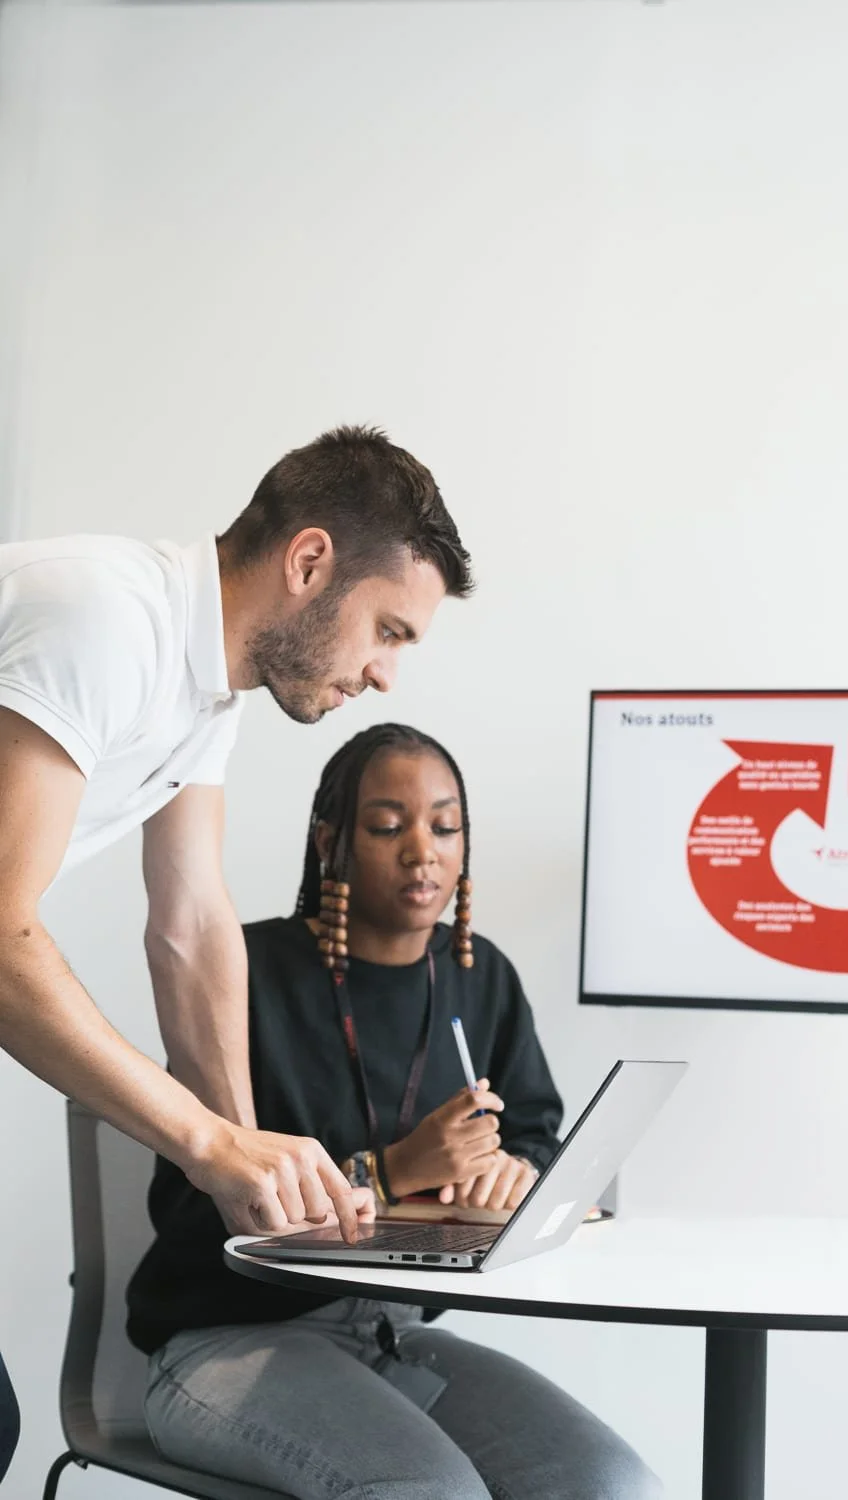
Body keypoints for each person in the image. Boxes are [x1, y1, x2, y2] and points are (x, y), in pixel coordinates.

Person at [0, 428, 472, 1486]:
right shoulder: (104, 620)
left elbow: (191, 922)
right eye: (387, 630)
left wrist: (250, 1165)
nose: (386, 673)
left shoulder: (208, 685)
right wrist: (206, 1142)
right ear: (309, 562)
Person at [126, 724, 664, 1500]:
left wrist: (515, 1174)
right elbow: (195, 1207)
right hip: (225, 1340)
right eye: (386, 827)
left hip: (389, 1334)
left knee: (612, 1485)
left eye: (445, 828)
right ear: (330, 842)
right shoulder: (243, 972)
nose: (423, 853)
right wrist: (392, 1171)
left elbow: (538, 1135)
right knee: (431, 1492)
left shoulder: (481, 978)